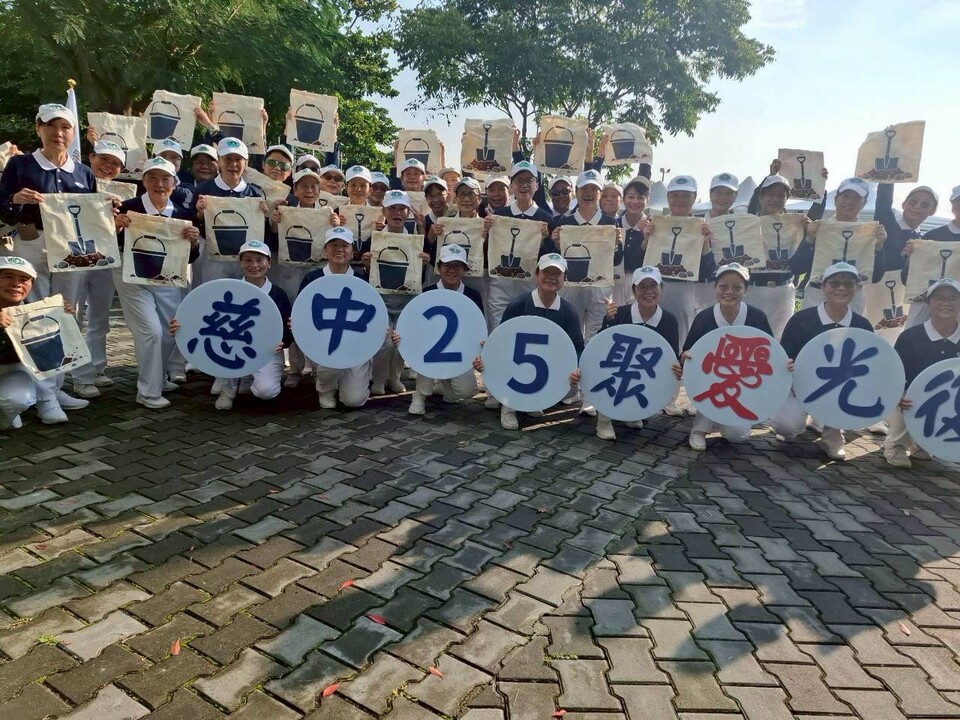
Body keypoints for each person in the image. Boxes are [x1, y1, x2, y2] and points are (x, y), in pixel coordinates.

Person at [0, 103, 95, 417]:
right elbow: (2, 205)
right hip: (32, 243)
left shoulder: (83, 172)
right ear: (38, 129)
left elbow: (92, 217)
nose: (58, 133)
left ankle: (56, 387)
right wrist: (15, 200)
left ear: (73, 132)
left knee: (67, 314)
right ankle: (44, 398)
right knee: (35, 317)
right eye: (51, 126)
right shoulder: (20, 165)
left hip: (73, 248)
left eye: (65, 127)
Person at [114, 157, 200, 409]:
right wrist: (115, 228)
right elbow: (107, 243)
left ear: (174, 183)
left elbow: (190, 256)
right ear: (143, 181)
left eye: (165, 179)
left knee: (169, 331)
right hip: (132, 277)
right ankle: (148, 392)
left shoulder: (182, 215)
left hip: (166, 278)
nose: (159, 184)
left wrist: (194, 241)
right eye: (152, 178)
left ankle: (158, 378)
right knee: (150, 331)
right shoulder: (127, 208)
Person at [171, 240, 290, 411]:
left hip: (268, 351)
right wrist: (182, 325)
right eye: (248, 260)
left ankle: (247, 378)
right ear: (241, 263)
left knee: (266, 391)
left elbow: (287, 327)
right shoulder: (227, 289)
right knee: (224, 349)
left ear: (269, 263)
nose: (254, 265)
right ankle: (228, 390)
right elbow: (203, 316)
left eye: (260, 260)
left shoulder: (278, 294)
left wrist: (282, 342)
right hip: (231, 346)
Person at [772, 262, 873, 461]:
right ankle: (807, 418)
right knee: (787, 428)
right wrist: (788, 368)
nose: (841, 288)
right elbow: (784, 356)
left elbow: (869, 365)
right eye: (834, 283)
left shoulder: (862, 325)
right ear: (823, 286)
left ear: (857, 288)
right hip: (801, 387)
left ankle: (833, 432)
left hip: (841, 390)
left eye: (848, 284)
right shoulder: (802, 319)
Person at [475, 253, 584, 430]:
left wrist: (575, 368)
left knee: (570, 388)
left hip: (547, 366)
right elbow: (502, 338)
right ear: (536, 275)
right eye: (546, 272)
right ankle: (508, 406)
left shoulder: (569, 311)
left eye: (557, 273)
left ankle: (533, 401)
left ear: (564, 279)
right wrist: (489, 353)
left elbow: (577, 346)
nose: (551, 277)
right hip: (516, 363)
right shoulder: (519, 304)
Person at [677, 263, 772, 451]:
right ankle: (699, 429)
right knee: (713, 385)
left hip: (743, 384)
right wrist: (685, 357)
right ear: (715, 288)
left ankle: (726, 420)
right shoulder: (704, 317)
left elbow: (770, 353)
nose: (729, 292)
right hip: (710, 383)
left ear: (746, 290)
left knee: (736, 436)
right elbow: (688, 352)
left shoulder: (756, 317)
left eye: (737, 287)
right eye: (723, 286)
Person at [270, 167, 341, 388]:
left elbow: (335, 243)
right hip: (291, 273)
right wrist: (275, 222)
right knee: (294, 317)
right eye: (303, 186)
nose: (309, 191)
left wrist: (336, 226)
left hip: (316, 273)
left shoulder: (328, 214)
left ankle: (319, 367)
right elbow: (273, 238)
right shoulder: (286, 212)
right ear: (295, 190)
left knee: (317, 317)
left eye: (313, 186)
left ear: (319, 191)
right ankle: (296, 369)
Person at [70, 140, 129, 398]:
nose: (108, 166)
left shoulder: (123, 194)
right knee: (74, 315)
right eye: (104, 159)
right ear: (91, 157)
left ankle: (97, 367)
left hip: (106, 259)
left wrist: (117, 222)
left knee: (100, 316)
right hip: (74, 257)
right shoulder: (75, 183)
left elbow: (120, 231)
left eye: (115, 163)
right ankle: (79, 376)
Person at [595, 265, 680, 440]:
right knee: (608, 373)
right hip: (616, 370)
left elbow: (671, 355)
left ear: (661, 288)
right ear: (633, 290)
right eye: (642, 287)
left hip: (644, 372)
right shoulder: (619, 314)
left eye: (653, 286)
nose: (648, 291)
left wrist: (678, 368)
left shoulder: (669, 320)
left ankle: (631, 413)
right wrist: (609, 320)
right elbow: (600, 348)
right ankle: (604, 420)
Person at [397, 244, 483, 415]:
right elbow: (413, 325)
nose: (452, 270)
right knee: (426, 353)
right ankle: (420, 395)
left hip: (458, 352)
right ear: (438, 268)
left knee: (467, 392)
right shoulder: (426, 293)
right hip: (429, 351)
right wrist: (401, 337)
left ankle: (443, 384)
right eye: (447, 265)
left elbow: (478, 329)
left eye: (457, 266)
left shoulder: (473, 295)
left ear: (464, 269)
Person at [884, 277, 960, 468]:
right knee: (905, 401)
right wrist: (897, 396)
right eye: (940, 298)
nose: (946, 303)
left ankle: (927, 444)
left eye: (953, 298)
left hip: (951, 399)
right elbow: (893, 374)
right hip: (911, 399)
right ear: (928, 303)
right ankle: (896, 444)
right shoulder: (911, 336)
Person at [0, 256, 84, 426]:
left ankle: (44, 399)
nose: (16, 284)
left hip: (12, 373)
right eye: (8, 276)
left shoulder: (34, 310)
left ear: (32, 284)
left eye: (24, 279)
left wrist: (61, 315)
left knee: (16, 399)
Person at [300, 227, 374, 409]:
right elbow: (301, 311)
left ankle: (355, 379)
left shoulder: (363, 280)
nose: (339, 249)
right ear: (325, 250)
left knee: (353, 400)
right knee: (331, 360)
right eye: (333, 245)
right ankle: (325, 387)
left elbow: (373, 312)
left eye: (344, 245)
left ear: (352, 251)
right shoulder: (312, 278)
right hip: (322, 343)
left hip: (355, 345)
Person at [365, 190, 430, 395]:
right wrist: (366, 264)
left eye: (402, 208)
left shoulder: (415, 242)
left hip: (407, 301)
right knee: (384, 343)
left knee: (401, 341)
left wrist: (424, 263)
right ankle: (378, 379)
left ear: (407, 213)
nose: (397, 212)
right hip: (381, 300)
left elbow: (419, 277)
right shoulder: (373, 239)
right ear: (384, 211)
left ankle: (395, 377)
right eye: (392, 208)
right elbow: (368, 274)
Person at [641, 175, 716, 352]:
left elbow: (708, 272)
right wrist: (646, 240)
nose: (680, 200)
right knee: (649, 334)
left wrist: (705, 244)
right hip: (653, 288)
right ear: (668, 197)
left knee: (680, 337)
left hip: (684, 290)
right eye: (675, 195)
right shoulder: (655, 224)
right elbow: (640, 263)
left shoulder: (701, 227)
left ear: (694, 197)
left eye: (685, 195)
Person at [794, 177, 886, 316]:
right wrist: (809, 240)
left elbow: (876, 277)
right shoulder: (818, 229)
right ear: (836, 199)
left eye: (856, 198)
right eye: (845, 196)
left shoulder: (870, 234)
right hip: (818, 296)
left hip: (852, 298)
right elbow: (797, 268)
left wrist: (879, 248)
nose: (849, 201)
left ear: (864, 203)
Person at [486, 161, 554, 332]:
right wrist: (486, 231)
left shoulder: (545, 218)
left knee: (526, 330)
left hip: (530, 285)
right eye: (519, 180)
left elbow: (550, 256)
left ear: (536, 185)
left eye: (529, 180)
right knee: (499, 331)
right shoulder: (499, 216)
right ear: (511, 186)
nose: (524, 185)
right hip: (500, 285)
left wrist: (545, 240)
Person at [191, 138, 267, 283]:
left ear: (246, 162)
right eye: (228, 159)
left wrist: (264, 215)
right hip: (213, 259)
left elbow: (263, 231)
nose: (233, 164)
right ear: (219, 161)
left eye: (238, 159)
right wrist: (199, 215)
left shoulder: (255, 193)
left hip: (245, 259)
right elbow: (193, 226)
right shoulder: (204, 189)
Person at [615, 176, 651, 307]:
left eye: (640, 197)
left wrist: (646, 239)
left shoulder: (652, 226)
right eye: (631, 197)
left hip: (640, 282)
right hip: (615, 281)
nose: (635, 201)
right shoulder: (614, 224)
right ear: (623, 199)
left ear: (647, 200)